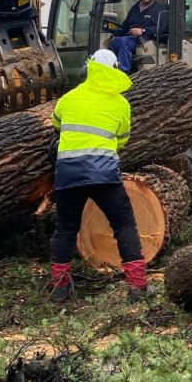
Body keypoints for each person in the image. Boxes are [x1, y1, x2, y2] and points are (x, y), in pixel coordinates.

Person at [47, 49, 153, 304]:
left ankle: (59, 288)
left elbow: (56, 125)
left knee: (65, 229)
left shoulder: (68, 99)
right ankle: (138, 288)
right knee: (124, 225)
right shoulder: (121, 104)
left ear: (88, 70)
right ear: (116, 73)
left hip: (68, 174)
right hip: (104, 174)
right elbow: (123, 138)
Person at [108, 0, 168, 73]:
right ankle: (109, 70)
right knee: (113, 42)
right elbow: (125, 26)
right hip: (130, 37)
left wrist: (143, 30)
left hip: (146, 38)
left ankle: (123, 73)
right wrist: (112, 32)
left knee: (125, 41)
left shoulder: (159, 9)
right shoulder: (135, 8)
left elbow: (161, 28)